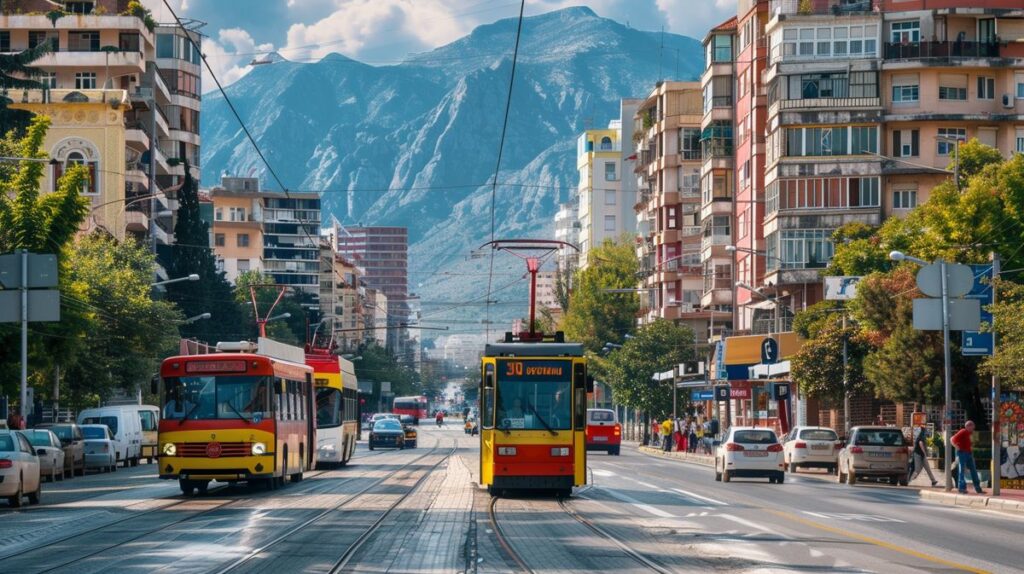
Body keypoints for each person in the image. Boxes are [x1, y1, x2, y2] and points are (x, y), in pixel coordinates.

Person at [951, 420, 983, 494]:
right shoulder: (963, 431)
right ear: (968, 426)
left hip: (968, 453)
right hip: (962, 453)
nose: (974, 428)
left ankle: (977, 487)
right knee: (962, 470)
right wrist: (956, 447)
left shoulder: (968, 433)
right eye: (972, 426)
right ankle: (962, 487)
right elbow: (952, 439)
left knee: (972, 470)